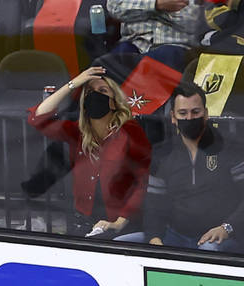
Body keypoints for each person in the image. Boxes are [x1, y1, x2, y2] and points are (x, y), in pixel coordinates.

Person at [115, 81, 244, 251]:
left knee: (208, 250)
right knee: (122, 243)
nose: (189, 118)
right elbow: (154, 205)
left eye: (195, 112)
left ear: (206, 114)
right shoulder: (162, 153)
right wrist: (154, 238)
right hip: (175, 236)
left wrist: (228, 227)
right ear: (173, 117)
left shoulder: (233, 147)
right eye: (183, 113)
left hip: (223, 237)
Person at [28, 64, 152, 238]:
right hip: (83, 223)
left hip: (118, 226)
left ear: (114, 102)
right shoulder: (77, 132)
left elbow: (141, 181)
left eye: (103, 90)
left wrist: (119, 222)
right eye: (89, 92)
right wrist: (74, 83)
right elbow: (37, 119)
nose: (95, 95)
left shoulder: (130, 131)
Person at [105, 0, 202, 71]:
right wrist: (157, 4)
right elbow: (115, 8)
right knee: (103, 70)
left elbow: (193, 21)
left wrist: (139, 10)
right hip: (133, 43)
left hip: (174, 46)